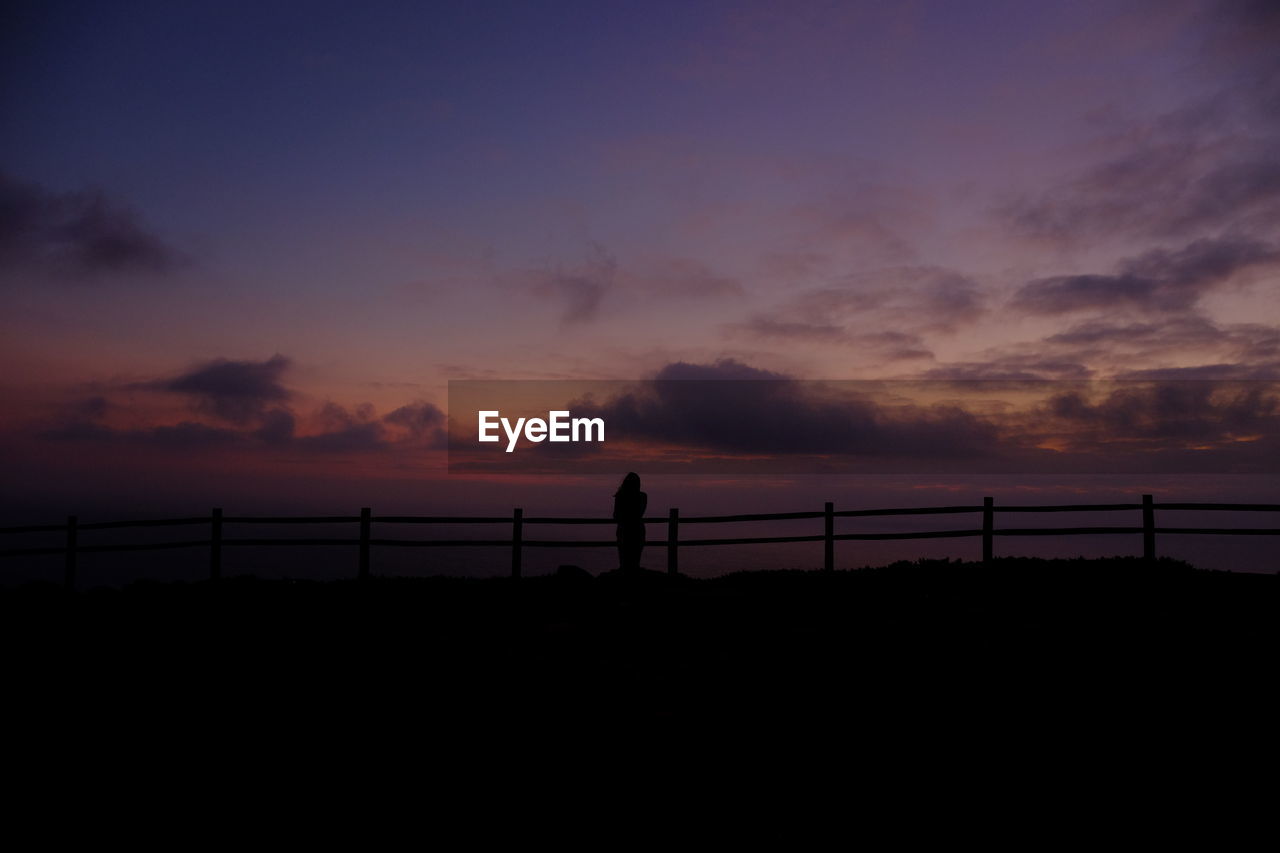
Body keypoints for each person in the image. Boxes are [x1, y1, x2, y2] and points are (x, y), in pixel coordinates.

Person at [612, 472, 647, 572]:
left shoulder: (620, 496)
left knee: (624, 561)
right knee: (635, 561)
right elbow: (640, 513)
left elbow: (615, 515)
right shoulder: (643, 496)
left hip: (624, 530)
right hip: (638, 529)